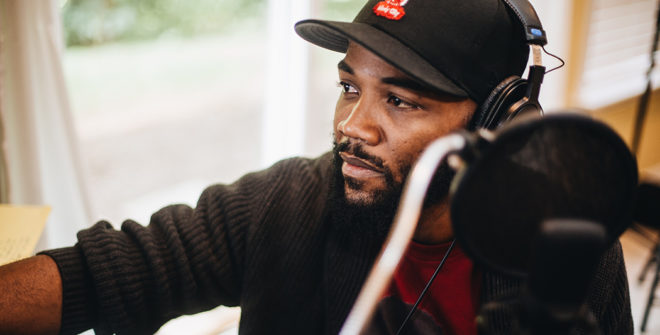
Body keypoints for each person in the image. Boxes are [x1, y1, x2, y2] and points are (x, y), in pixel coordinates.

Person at [0, 0, 633, 334]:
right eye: (350, 86)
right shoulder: (289, 201)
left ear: (496, 121)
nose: (351, 127)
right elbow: (112, 272)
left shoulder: (561, 245)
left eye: (402, 100)